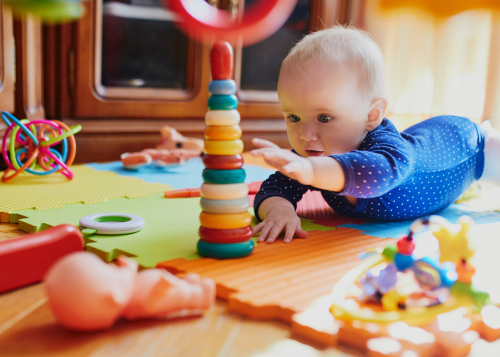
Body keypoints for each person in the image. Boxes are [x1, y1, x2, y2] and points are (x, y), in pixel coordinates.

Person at [251, 25, 500, 244]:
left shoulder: (387, 152)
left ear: (370, 116)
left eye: (324, 118)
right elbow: (273, 187)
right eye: (294, 117)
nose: (305, 135)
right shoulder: (312, 153)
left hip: (466, 144)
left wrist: (313, 171)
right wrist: (279, 210)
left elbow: (378, 174)